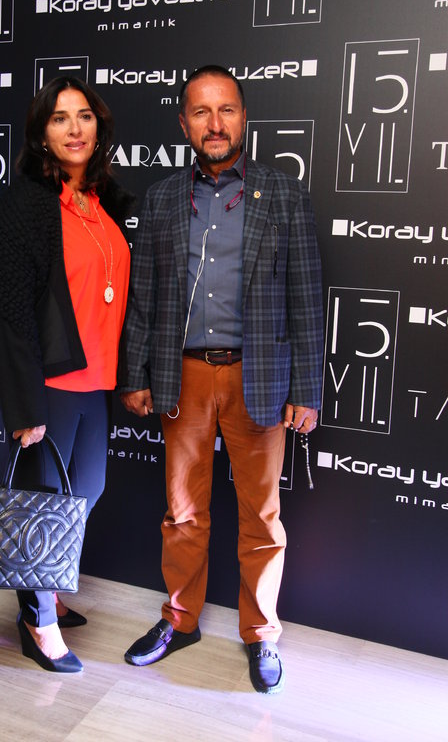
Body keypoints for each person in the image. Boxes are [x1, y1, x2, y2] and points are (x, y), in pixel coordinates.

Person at [118, 64, 323, 694]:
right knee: (183, 513)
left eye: (226, 109)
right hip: (182, 374)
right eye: (201, 112)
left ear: (243, 118)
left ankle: (261, 634)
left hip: (257, 375)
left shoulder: (282, 193)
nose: (215, 123)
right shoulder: (160, 199)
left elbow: (306, 296)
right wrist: (135, 373)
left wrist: (307, 390)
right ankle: (179, 621)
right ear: (183, 123)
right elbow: (143, 296)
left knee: (262, 516)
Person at [0, 76, 133, 673]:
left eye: (84, 116)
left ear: (99, 127)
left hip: (96, 380)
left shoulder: (102, 201)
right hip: (49, 384)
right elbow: (3, 311)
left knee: (85, 492)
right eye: (60, 117)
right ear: (42, 133)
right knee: (42, 501)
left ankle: (46, 585)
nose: (74, 128)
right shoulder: (28, 204)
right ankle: (38, 622)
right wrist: (23, 407)